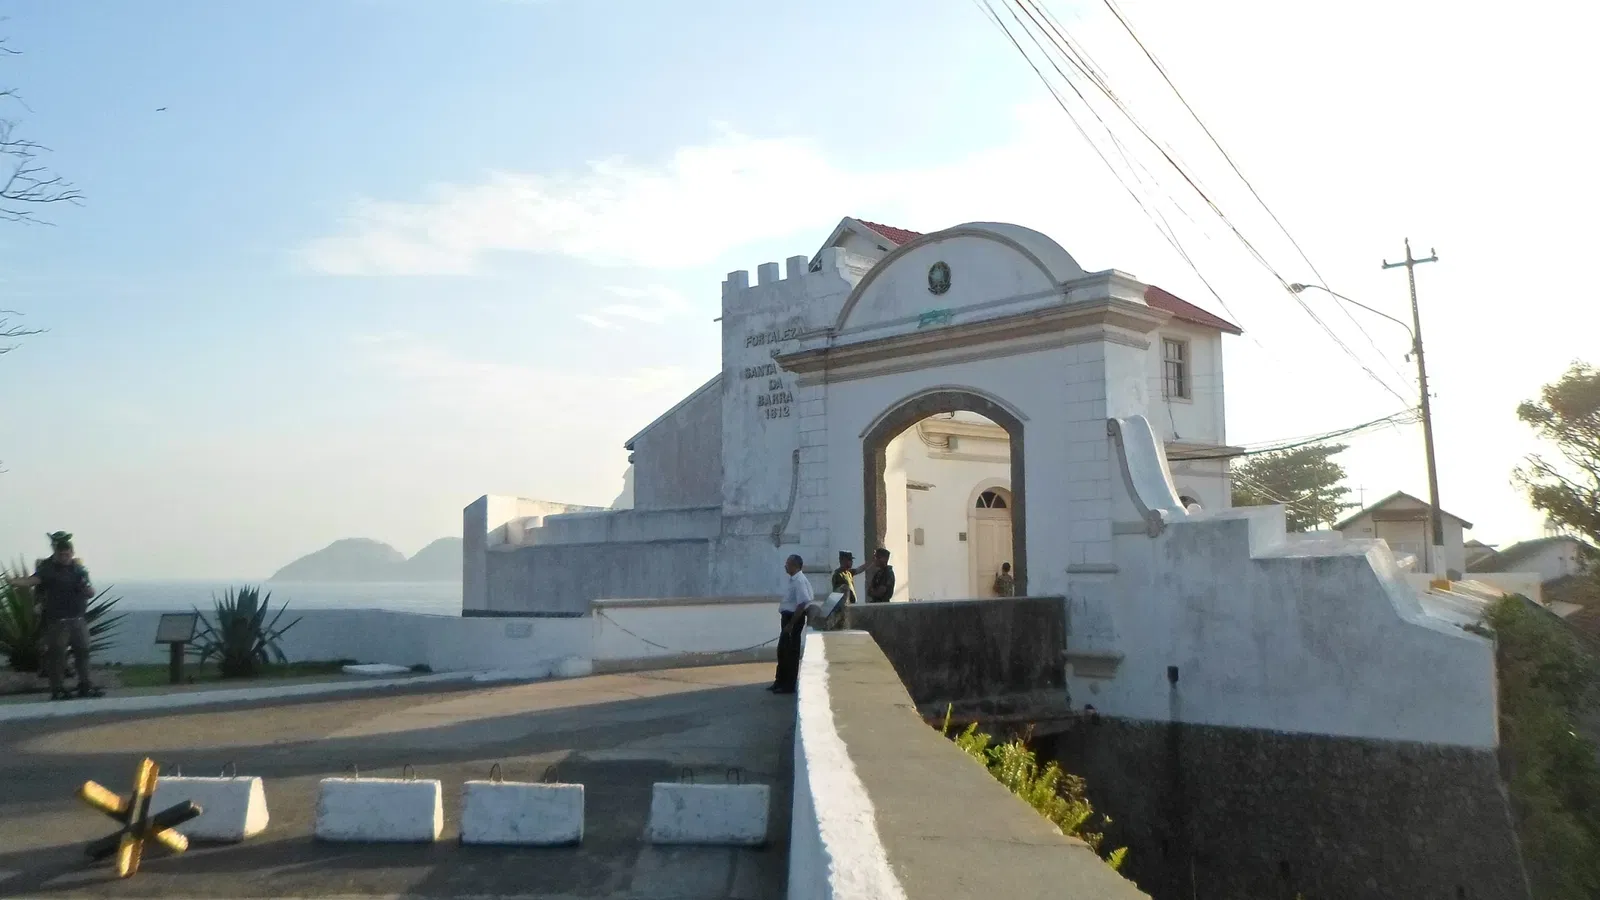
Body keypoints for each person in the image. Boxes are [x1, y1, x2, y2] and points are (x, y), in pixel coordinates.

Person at [6, 532, 102, 700]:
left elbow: (90, 591)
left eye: (67, 554)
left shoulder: (79, 570)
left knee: (83, 651)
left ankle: (85, 684)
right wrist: (15, 582)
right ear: (56, 553)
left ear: (72, 553)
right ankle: (57, 688)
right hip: (57, 621)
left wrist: (87, 590)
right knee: (57, 654)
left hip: (77, 618)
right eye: (61, 554)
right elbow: (32, 581)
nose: (64, 557)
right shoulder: (48, 569)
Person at [770, 553, 814, 695]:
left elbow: (802, 603)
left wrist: (791, 624)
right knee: (782, 651)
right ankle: (780, 681)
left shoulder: (799, 581)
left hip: (793, 618)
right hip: (788, 617)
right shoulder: (793, 580)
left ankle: (789, 685)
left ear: (795, 566)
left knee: (790, 652)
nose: (785, 566)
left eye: (788, 564)